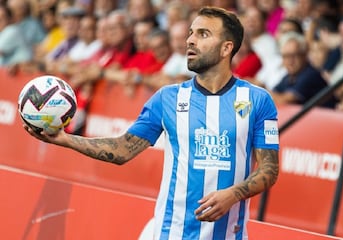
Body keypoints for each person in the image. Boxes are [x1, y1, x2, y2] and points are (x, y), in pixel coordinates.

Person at [23, 6, 279, 240]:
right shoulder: (168, 98)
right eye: (190, 33)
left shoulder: (257, 100)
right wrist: (65, 139)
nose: (190, 40)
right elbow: (123, 150)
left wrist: (233, 194)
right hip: (170, 233)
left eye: (203, 34)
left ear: (226, 48)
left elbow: (269, 171)